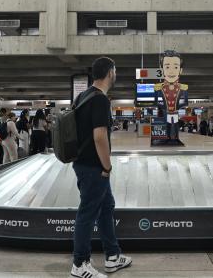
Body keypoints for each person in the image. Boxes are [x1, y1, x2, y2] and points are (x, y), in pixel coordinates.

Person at [71, 57, 132, 278]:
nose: (115, 74)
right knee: (87, 214)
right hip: (94, 167)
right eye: (114, 71)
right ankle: (79, 264)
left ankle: (112, 256)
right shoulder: (100, 100)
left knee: (107, 207)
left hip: (82, 163)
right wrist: (106, 166)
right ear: (109, 73)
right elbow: (99, 137)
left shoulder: (82, 96)